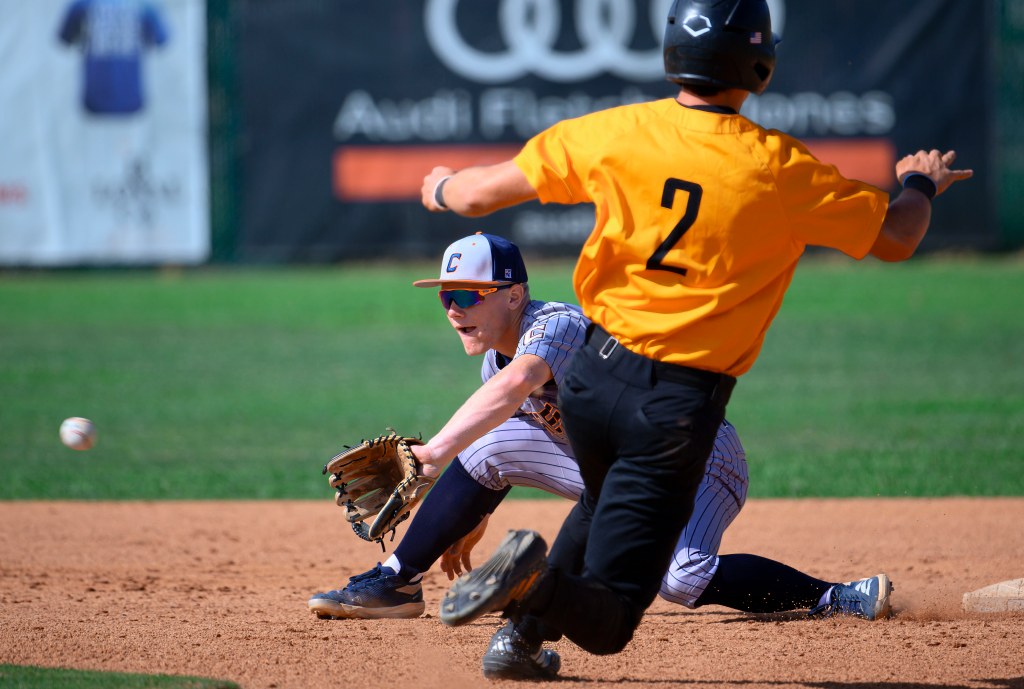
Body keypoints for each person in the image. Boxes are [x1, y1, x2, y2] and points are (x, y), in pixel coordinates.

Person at [418, 0, 973, 677]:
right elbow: (897, 236)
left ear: (672, 54)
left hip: (590, 375)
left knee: (601, 495)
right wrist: (920, 183)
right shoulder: (777, 167)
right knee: (614, 616)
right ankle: (532, 587)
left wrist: (443, 186)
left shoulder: (618, 130)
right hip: (674, 405)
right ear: (758, 64)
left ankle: (522, 637)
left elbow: (477, 197)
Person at [308, 233, 895, 681]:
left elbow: (516, 390)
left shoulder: (558, 326)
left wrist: (434, 452)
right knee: (486, 447)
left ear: (514, 295)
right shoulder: (497, 360)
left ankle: (832, 596)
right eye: (445, 297)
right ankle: (395, 580)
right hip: (614, 472)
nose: (453, 309)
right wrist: (470, 515)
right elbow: (503, 429)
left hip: (697, 458)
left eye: (467, 296)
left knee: (682, 578)